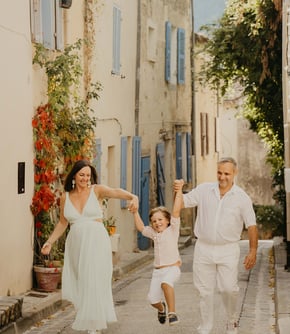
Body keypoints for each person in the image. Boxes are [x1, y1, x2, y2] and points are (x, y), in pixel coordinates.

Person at [41, 159, 138, 334]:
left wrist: (133, 197)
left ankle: (93, 328)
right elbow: (63, 223)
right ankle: (89, 319)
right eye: (82, 175)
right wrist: (49, 241)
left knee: (94, 279)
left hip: (96, 241)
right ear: (74, 176)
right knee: (82, 282)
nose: (85, 178)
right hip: (76, 244)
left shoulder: (97, 191)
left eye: (88, 175)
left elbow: (115, 191)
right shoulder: (65, 197)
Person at [174, 157, 258, 334]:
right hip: (203, 248)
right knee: (204, 291)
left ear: (234, 173)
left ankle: (231, 321)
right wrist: (178, 190)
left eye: (226, 173)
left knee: (228, 289)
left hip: (228, 249)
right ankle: (205, 327)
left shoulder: (242, 198)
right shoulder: (205, 190)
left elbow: (251, 225)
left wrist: (253, 251)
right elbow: (182, 203)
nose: (222, 177)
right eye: (219, 172)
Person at [129, 180, 184, 326]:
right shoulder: (153, 233)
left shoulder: (172, 230)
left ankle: (172, 313)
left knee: (167, 283)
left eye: (160, 219)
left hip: (172, 268)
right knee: (153, 300)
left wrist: (179, 191)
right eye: (154, 221)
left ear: (167, 221)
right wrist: (135, 212)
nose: (157, 223)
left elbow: (177, 210)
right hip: (157, 272)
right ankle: (162, 309)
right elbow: (141, 227)